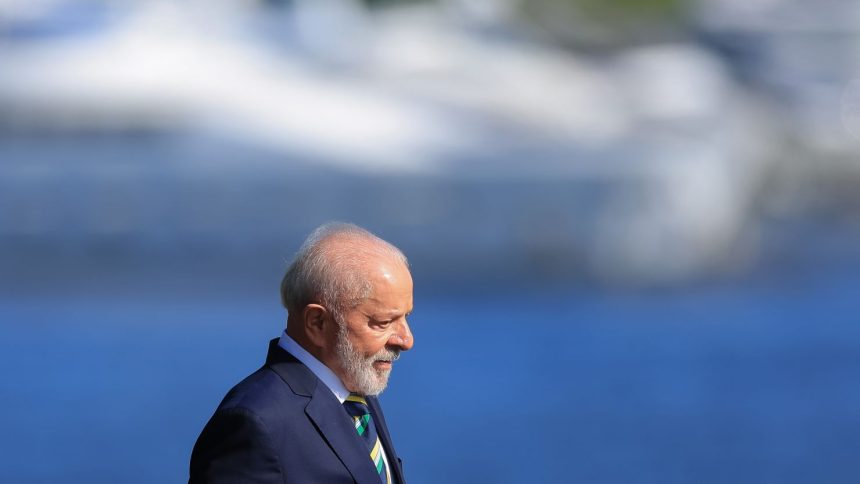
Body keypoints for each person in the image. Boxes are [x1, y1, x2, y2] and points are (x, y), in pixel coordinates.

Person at [190, 222, 414, 483]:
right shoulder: (256, 423)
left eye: (406, 317)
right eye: (383, 323)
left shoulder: (357, 396)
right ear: (317, 322)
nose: (406, 340)